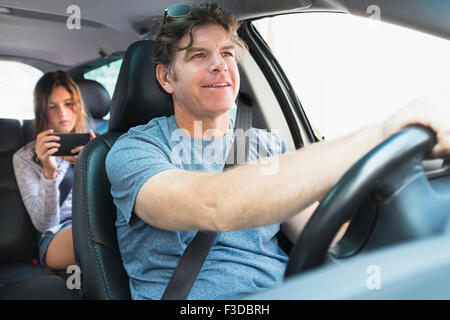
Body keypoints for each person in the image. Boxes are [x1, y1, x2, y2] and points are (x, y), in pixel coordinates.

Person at [106, 3, 450, 300]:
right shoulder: (136, 150)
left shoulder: (265, 144)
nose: (220, 65)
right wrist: (382, 134)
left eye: (227, 53)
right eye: (199, 55)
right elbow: (214, 206)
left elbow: (317, 228)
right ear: (166, 78)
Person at [13, 70, 95, 270]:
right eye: (52, 107)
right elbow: (44, 224)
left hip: (100, 220)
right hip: (58, 235)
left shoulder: (98, 143)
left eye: (68, 104)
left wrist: (94, 162)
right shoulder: (25, 158)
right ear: (42, 112)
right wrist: (49, 172)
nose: (62, 113)